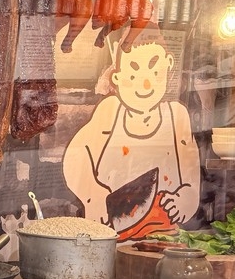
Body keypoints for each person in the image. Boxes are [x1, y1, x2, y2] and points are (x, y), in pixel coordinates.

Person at [62, 32, 200, 236]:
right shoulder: (110, 110)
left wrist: (185, 199)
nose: (145, 85)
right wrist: (94, 197)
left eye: (155, 72)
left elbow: (191, 175)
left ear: (168, 65)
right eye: (133, 75)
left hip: (163, 238)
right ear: (117, 77)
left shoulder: (176, 116)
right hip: (107, 235)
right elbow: (75, 156)